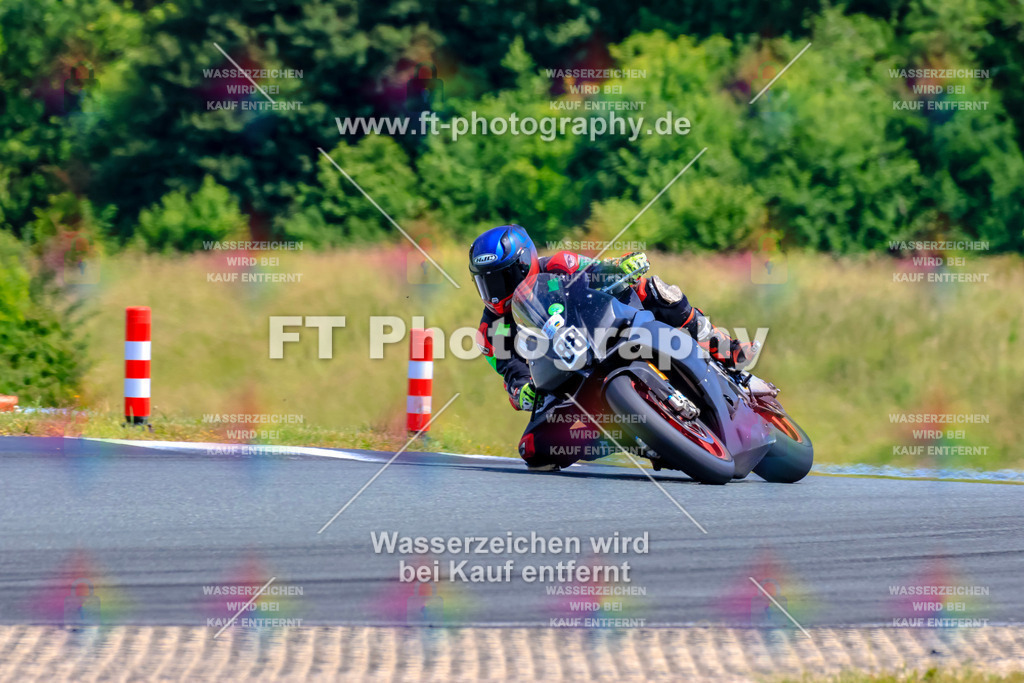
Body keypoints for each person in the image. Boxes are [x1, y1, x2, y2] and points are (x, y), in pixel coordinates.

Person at [470, 224, 757, 471]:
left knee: (655, 290)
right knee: (533, 449)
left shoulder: (559, 263)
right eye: (485, 283)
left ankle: (722, 346)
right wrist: (523, 392)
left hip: (605, 330)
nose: (495, 291)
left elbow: (595, 271)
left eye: (501, 279)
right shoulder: (490, 331)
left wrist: (620, 267)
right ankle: (629, 434)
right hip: (561, 379)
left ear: (524, 263)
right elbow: (512, 374)